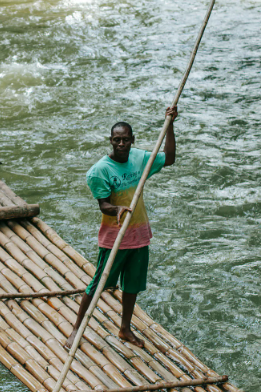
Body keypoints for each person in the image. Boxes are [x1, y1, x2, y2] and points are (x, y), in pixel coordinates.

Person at [65, 106, 179, 349]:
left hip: (139, 236)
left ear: (131, 140)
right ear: (111, 141)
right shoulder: (100, 171)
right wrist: (116, 209)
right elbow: (103, 204)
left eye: (125, 140)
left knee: (132, 286)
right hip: (115, 238)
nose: (121, 144)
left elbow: (169, 158)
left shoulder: (139, 158)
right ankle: (76, 329)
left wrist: (169, 125)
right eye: (116, 140)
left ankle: (125, 328)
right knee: (98, 285)